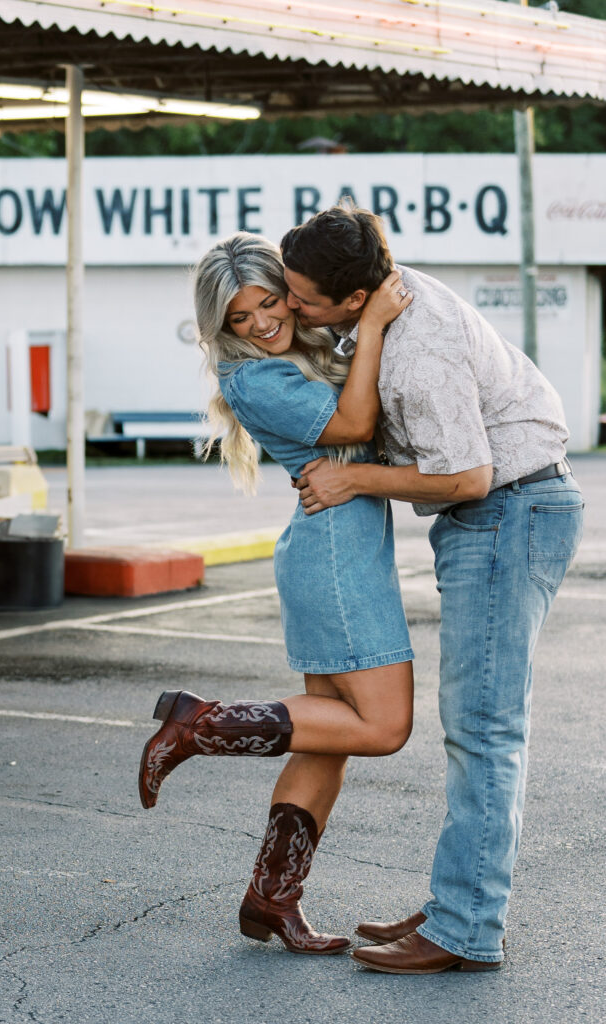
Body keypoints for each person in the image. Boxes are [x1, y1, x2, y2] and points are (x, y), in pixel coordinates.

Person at [280, 202, 585, 974]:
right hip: (503, 512)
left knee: (482, 729)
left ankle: (464, 927)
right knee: (477, 726)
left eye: (302, 298)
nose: (290, 307)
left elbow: (466, 474)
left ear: (354, 298)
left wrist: (352, 479)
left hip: (505, 511)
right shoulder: (387, 295)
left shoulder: (421, 353)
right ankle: (461, 901)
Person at [138, 231, 415, 956]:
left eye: (268, 302)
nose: (261, 323)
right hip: (334, 560)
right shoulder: (254, 379)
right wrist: (379, 320)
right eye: (239, 318)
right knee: (384, 727)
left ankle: (271, 898)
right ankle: (202, 724)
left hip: (338, 549)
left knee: (326, 740)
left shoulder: (294, 355)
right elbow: (354, 425)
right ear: (219, 328)